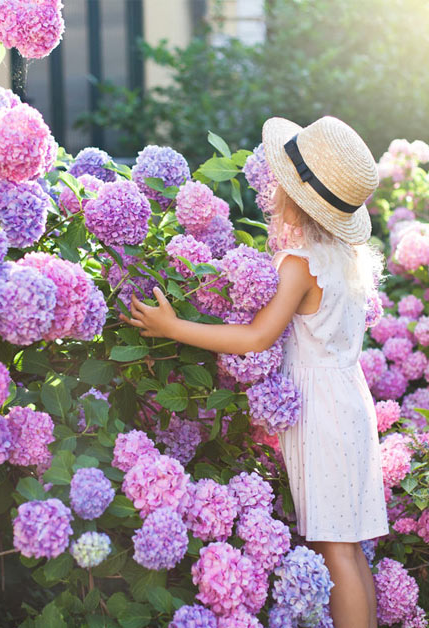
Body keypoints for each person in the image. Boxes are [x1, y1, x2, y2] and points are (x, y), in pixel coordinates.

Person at [123, 116, 386, 627]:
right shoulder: (344, 256)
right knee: (349, 549)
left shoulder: (300, 261)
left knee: (334, 551)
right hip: (350, 401)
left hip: (322, 415)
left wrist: (174, 327)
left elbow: (257, 337)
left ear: (295, 197)